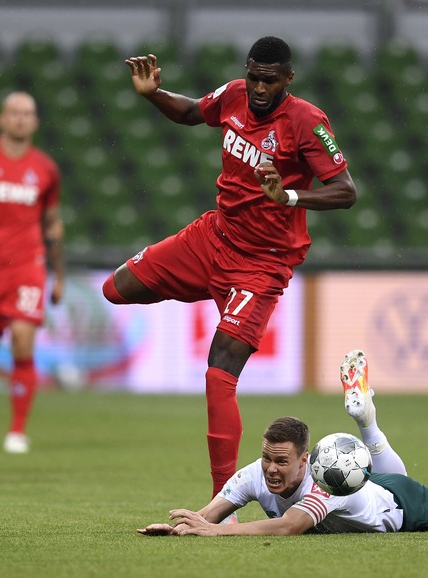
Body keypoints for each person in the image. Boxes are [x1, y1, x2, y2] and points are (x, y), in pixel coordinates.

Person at [105, 36, 357, 498]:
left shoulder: (307, 121)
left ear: (288, 79)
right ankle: (216, 294)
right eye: (254, 76)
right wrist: (154, 95)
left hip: (261, 265)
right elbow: (189, 112)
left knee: (219, 368)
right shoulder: (233, 94)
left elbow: (346, 190)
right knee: (115, 288)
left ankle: (223, 500)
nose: (259, 88)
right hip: (212, 238)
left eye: (269, 80)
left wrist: (291, 197)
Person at [137, 349, 428, 536]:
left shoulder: (324, 483)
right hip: (378, 484)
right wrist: (184, 524)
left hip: (398, 505)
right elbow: (211, 512)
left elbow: (287, 527)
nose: (271, 469)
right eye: (266, 459)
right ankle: (366, 421)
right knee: (395, 477)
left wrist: (215, 534)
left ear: (306, 462)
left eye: (281, 462)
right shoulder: (255, 473)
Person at [0, 91, 65, 454]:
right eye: (14, 113)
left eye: (28, 113)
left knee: (23, 344)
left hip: (27, 266)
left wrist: (59, 275)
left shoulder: (45, 168)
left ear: (35, 122)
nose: (21, 119)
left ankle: (17, 431)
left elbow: (52, 224)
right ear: (1, 119)